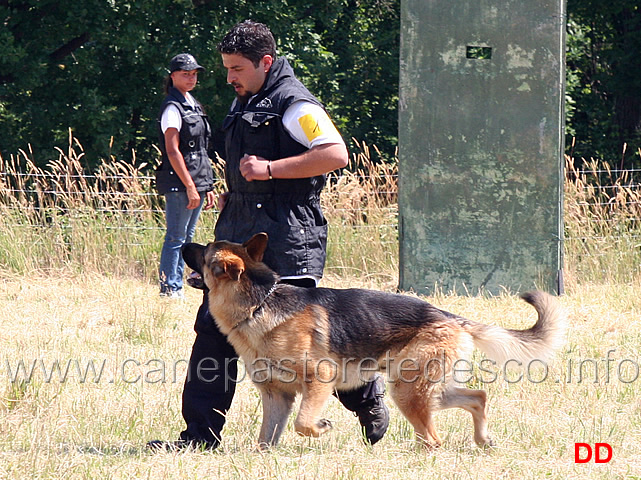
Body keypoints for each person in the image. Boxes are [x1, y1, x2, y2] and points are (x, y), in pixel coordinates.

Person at [148, 21, 389, 451]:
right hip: (240, 231)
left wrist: (270, 171)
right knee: (213, 333)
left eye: (236, 68)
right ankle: (198, 437)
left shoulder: (295, 104)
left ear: (265, 62)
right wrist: (237, 193)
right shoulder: (247, 99)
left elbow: (335, 154)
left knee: (304, 344)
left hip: (289, 237)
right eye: (225, 68)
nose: (229, 78)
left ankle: (366, 396)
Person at [156, 53, 215, 298]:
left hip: (197, 180)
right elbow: (172, 150)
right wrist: (190, 185)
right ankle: (170, 289)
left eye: (194, 74)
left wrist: (206, 185)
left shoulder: (193, 103)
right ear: (173, 76)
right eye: (185, 74)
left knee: (187, 237)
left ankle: (176, 286)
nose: (191, 78)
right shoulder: (172, 107)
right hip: (180, 182)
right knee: (176, 237)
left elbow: (201, 149)